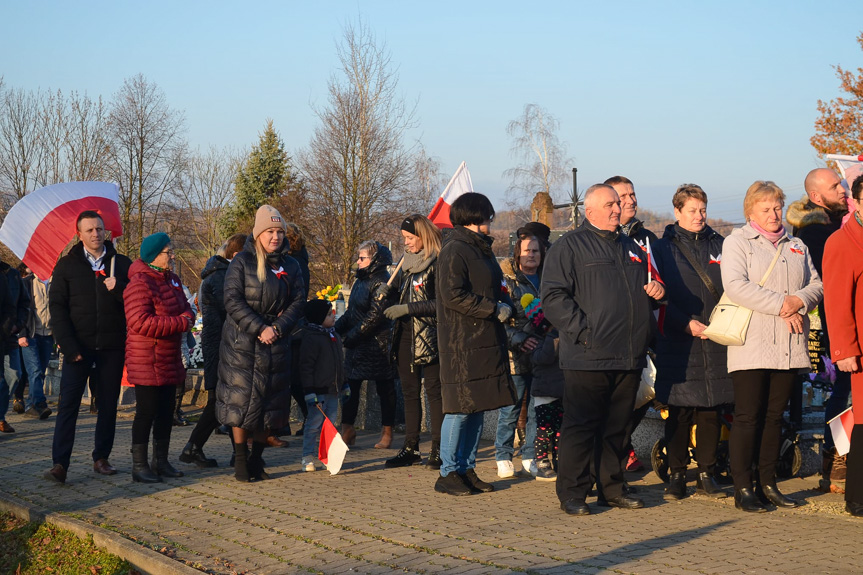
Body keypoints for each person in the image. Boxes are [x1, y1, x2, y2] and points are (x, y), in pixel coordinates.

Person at [542, 183, 666, 515]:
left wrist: (657, 292)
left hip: (628, 354)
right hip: (588, 355)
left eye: (619, 203)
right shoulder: (569, 247)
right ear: (590, 210)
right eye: (610, 203)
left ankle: (611, 488)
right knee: (582, 427)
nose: (617, 208)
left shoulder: (631, 247)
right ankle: (573, 491)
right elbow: (553, 297)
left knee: (617, 427)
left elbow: (644, 293)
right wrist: (585, 333)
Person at [721, 181, 822, 512]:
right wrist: (784, 305)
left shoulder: (797, 246)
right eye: (766, 209)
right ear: (751, 211)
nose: (774, 214)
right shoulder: (738, 242)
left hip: (789, 345)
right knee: (749, 416)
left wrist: (798, 301)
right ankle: (743, 487)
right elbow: (736, 286)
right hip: (752, 343)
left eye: (777, 207)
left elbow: (816, 284)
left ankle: (768, 483)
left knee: (775, 417)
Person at [652, 184, 733, 500]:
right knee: (679, 411)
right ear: (677, 212)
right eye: (692, 210)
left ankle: (706, 474)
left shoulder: (722, 245)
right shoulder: (661, 250)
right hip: (678, 343)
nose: (699, 216)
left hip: (716, 339)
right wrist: (683, 323)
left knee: (711, 409)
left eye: (703, 210)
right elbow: (656, 298)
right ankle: (676, 475)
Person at [434, 192, 516, 496]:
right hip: (461, 343)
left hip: (484, 340)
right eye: (486, 218)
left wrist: (508, 304)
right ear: (474, 217)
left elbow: (495, 286)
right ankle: (448, 471)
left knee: (477, 407)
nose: (489, 223)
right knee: (460, 408)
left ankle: (467, 468)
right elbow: (452, 294)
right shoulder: (455, 249)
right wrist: (492, 308)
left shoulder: (481, 250)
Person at [217, 205, 305, 482]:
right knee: (241, 404)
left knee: (267, 407)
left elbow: (299, 300)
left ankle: (257, 460)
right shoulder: (241, 262)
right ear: (258, 234)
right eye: (270, 231)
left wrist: (277, 327)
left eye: (279, 231)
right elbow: (232, 300)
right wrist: (260, 327)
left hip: (275, 344)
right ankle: (241, 459)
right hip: (242, 343)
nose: (275, 237)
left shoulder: (291, 265)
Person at [45, 210, 132, 483]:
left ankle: (101, 457)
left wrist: (118, 287)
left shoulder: (121, 263)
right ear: (79, 234)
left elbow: (134, 301)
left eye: (99, 229)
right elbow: (57, 309)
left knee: (107, 405)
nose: (96, 234)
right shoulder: (66, 266)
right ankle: (60, 464)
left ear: (106, 231)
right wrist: (69, 347)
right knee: (68, 405)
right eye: (90, 230)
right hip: (77, 349)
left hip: (111, 347)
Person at [786, 168, 852, 492]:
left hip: (840, 324)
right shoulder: (816, 234)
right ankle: (834, 458)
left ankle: (837, 458)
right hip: (832, 325)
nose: (843, 190)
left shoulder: (832, 227)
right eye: (835, 185)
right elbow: (825, 288)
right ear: (816, 196)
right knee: (844, 390)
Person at [124, 233, 195, 483]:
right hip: (147, 359)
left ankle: (161, 461)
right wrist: (179, 323)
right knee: (146, 411)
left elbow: (187, 308)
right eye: (168, 251)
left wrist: (187, 317)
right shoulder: (139, 283)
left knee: (166, 411)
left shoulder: (172, 280)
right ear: (154, 255)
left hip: (169, 356)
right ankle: (139, 465)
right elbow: (139, 321)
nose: (172, 255)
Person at [605, 175, 658, 472]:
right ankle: (615, 453)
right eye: (623, 196)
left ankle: (622, 448)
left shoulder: (647, 238)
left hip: (643, 330)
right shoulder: (598, 238)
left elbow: (660, 277)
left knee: (645, 393)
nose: (631, 200)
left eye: (633, 194)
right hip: (610, 333)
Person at [179, 234, 246, 468]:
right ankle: (234, 453)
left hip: (220, 343)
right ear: (236, 255)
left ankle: (195, 448)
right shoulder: (221, 276)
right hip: (221, 344)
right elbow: (232, 311)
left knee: (223, 401)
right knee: (223, 400)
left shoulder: (219, 273)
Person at [383, 214, 443, 469]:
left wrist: (408, 309)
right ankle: (411, 447)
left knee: (434, 393)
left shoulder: (438, 262)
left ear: (423, 236)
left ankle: (439, 450)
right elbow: (400, 295)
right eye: (404, 238)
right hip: (405, 335)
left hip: (430, 336)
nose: (406, 243)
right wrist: (386, 293)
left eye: (410, 238)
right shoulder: (405, 263)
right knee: (409, 393)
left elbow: (441, 303)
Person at [822, 173, 863, 517]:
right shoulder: (842, 241)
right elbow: (836, 301)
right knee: (862, 422)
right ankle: (857, 497)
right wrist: (844, 349)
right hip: (860, 348)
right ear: (857, 202)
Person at [335, 240, 396, 449]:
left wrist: (351, 337)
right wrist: (335, 329)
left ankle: (387, 432)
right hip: (358, 345)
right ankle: (348, 430)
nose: (358, 262)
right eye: (359, 257)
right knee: (350, 388)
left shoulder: (382, 282)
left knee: (385, 389)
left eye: (363, 258)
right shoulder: (360, 281)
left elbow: (374, 317)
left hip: (378, 344)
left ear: (375, 261)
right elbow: (353, 312)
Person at [495, 228, 544, 478]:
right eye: (527, 251)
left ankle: (530, 455)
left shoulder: (548, 279)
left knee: (537, 408)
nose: (532, 255)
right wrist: (519, 340)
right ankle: (503, 455)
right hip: (516, 355)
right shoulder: (507, 281)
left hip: (543, 354)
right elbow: (499, 322)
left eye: (535, 251)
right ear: (518, 253)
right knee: (511, 408)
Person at [298, 299, 343, 472]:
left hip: (333, 389)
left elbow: (340, 362)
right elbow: (306, 367)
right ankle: (307, 456)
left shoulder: (334, 335)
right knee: (313, 424)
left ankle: (327, 455)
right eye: (328, 314)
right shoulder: (311, 338)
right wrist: (309, 391)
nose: (333, 316)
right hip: (318, 390)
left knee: (330, 425)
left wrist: (344, 384)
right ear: (318, 318)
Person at [19, 265, 53, 419]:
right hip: (31, 334)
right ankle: (40, 404)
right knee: (35, 371)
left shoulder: (56, 283)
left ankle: (30, 404)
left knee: (41, 372)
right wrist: (21, 334)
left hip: (48, 334)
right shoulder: (27, 282)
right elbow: (20, 309)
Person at [530, 327, 564, 482]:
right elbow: (543, 358)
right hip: (544, 393)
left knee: (560, 431)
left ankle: (560, 462)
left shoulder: (562, 336)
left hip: (561, 392)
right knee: (544, 431)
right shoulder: (542, 339)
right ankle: (542, 462)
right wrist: (553, 339)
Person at [0, 259, 27, 432]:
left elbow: (24, 304)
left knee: (15, 375)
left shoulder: (12, 275)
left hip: (9, 335)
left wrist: (18, 324)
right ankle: (1, 419)